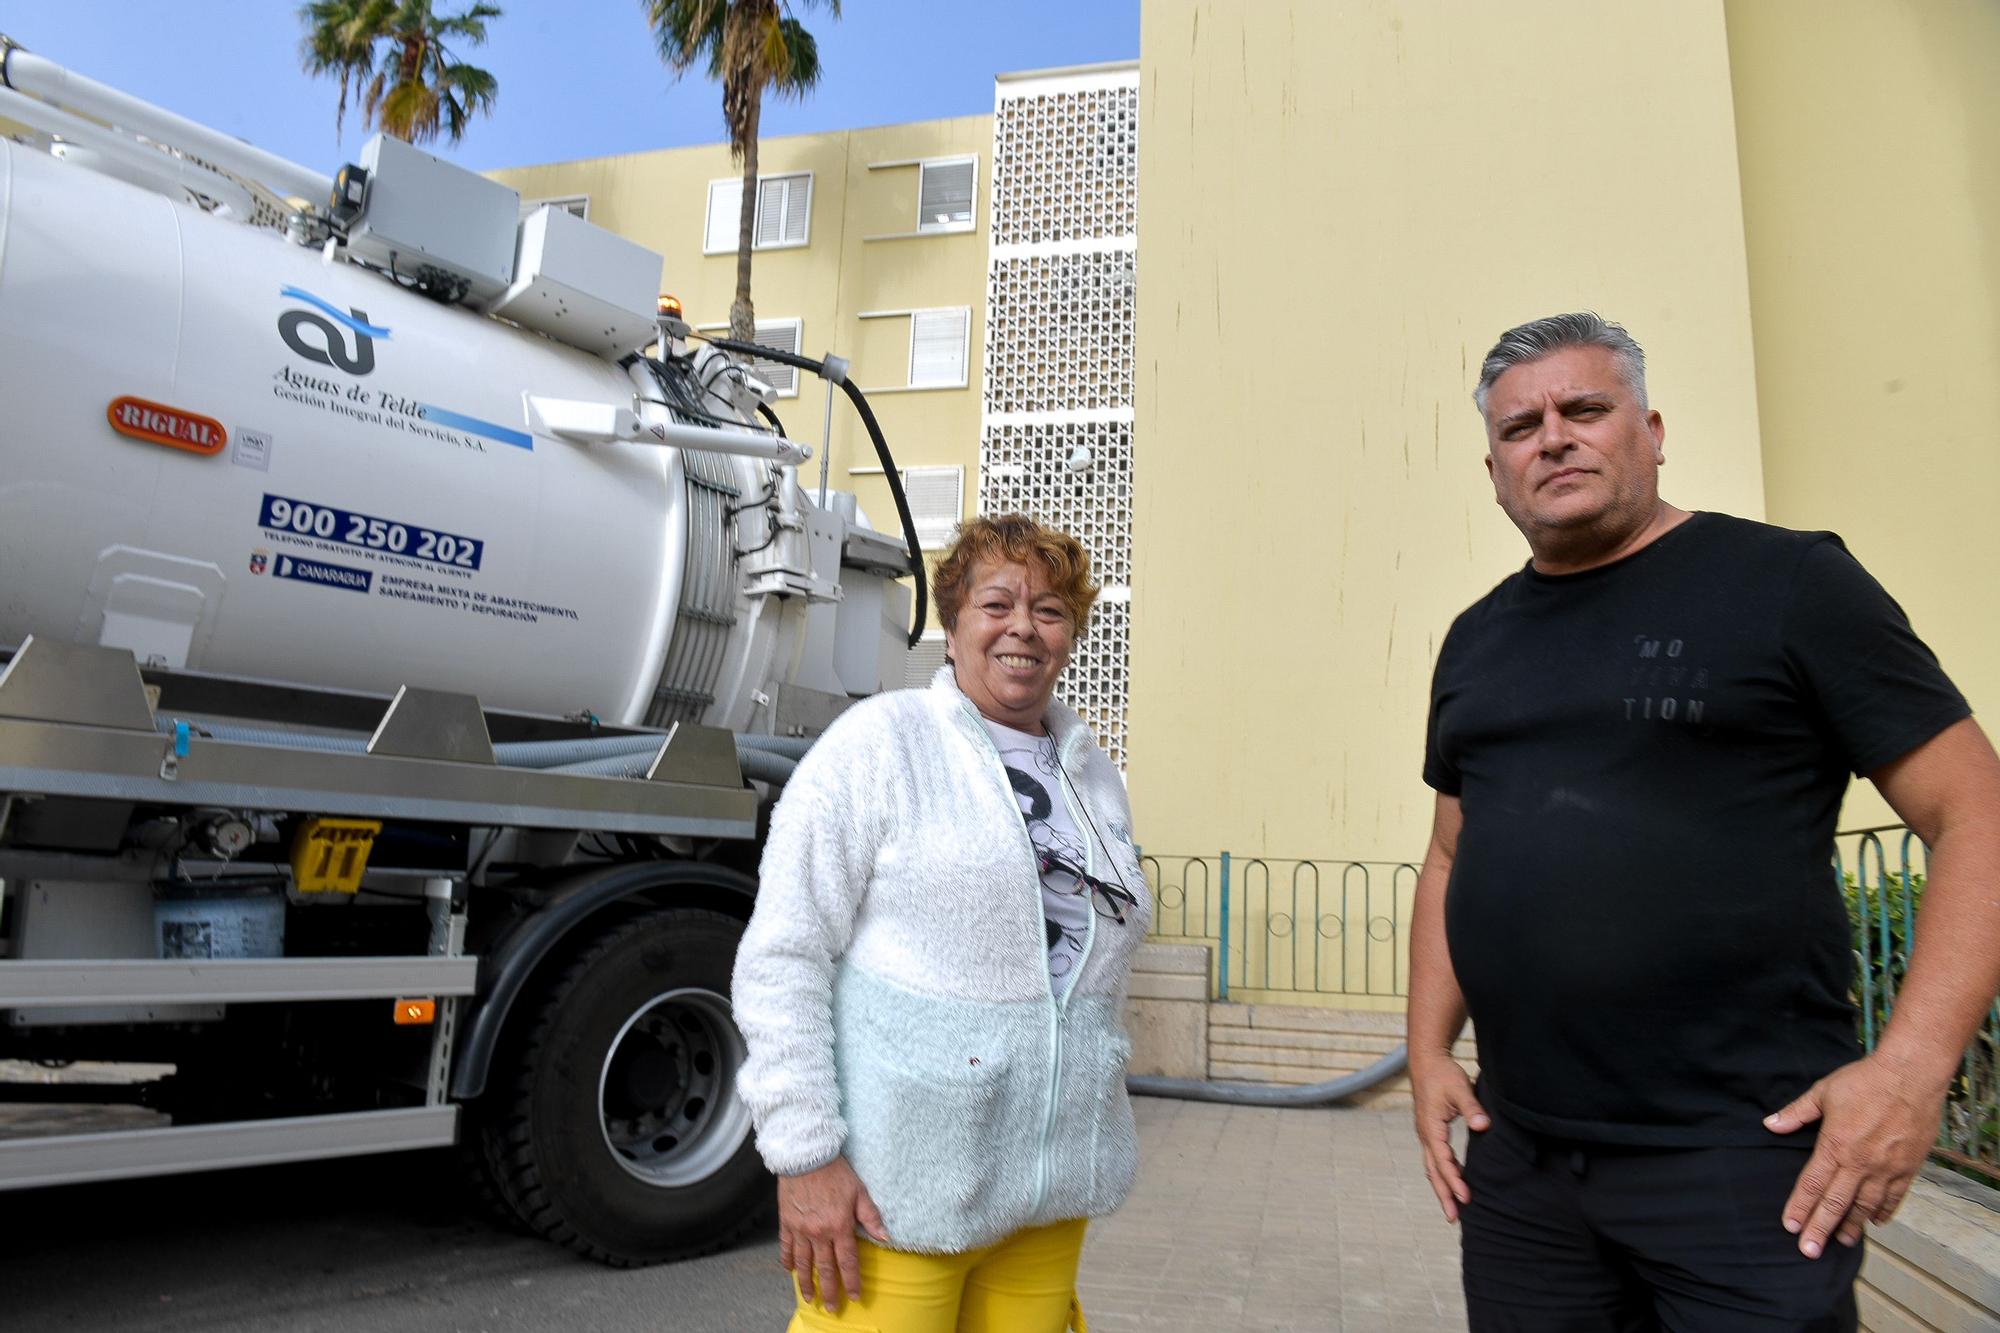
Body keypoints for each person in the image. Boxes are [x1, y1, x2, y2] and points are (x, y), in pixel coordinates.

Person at [1409, 312, 2000, 1331]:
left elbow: (1974, 812)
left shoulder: (1787, 584)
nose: (1551, 437)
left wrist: (1909, 1071)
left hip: (1744, 1156)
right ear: (1494, 468)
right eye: (1518, 427)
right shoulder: (1474, 640)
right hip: (1523, 1163)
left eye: (1582, 409)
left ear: (1651, 428)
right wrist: (1424, 1050)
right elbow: (1449, 851)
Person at [733, 513, 1149, 1333]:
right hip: (900, 1197)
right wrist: (806, 1153)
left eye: (1051, 610)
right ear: (953, 625)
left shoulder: (1094, 778)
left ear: (1070, 636)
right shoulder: (879, 746)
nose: (1024, 626)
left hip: (1046, 1190)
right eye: (997, 603)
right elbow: (784, 955)